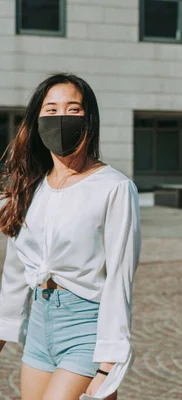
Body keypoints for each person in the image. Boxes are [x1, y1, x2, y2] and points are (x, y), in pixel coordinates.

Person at [0, 73, 141, 400]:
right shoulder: (29, 186)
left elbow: (120, 278)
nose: (60, 118)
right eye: (50, 110)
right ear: (36, 121)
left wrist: (109, 364)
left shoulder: (114, 187)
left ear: (89, 119)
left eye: (72, 109)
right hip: (39, 324)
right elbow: (16, 270)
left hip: (85, 327)